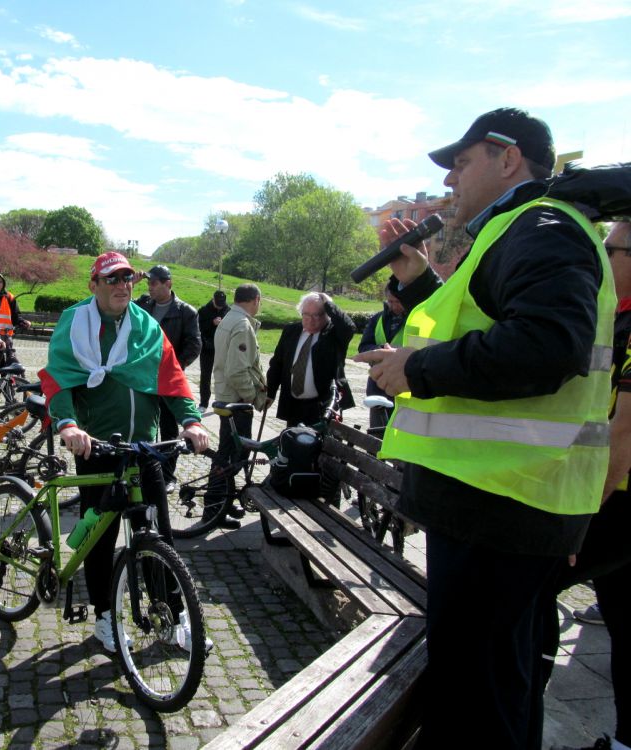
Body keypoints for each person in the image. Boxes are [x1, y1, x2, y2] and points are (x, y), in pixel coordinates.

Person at [354, 108, 615, 749]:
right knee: (502, 687)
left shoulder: (541, 226)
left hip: (500, 505)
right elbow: (481, 327)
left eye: (461, 164)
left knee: (477, 705)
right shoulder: (515, 232)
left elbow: (549, 346)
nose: (450, 184)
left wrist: (420, 367)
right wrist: (419, 291)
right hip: (505, 505)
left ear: (508, 157)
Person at [39, 251, 209, 652]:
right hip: (97, 446)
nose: (122, 286)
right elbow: (59, 378)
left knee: (157, 536)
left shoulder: (146, 326)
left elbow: (171, 376)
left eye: (128, 279)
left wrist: (191, 421)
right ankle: (103, 618)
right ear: (94, 284)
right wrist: (68, 425)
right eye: (113, 279)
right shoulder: (75, 324)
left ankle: (171, 616)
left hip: (144, 447)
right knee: (100, 537)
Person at [541, 221, 631, 750]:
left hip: (617, 499)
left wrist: (580, 521)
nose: (600, 256)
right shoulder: (615, 317)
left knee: (533, 581)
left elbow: (624, 437)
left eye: (610, 248)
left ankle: (521, 700)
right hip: (610, 493)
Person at [134, 265, 201, 489]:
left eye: (154, 283)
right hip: (142, 378)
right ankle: (143, 473)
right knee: (142, 425)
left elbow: (194, 345)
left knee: (169, 429)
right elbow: (120, 314)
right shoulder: (143, 304)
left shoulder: (185, 311)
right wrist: (131, 284)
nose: (150, 288)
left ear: (168, 284)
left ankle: (167, 476)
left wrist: (173, 368)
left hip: (167, 380)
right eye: (148, 283)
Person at [209, 283, 266, 530]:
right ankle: (213, 508)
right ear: (255, 299)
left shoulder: (229, 319)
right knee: (233, 455)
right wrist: (251, 395)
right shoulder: (242, 325)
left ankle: (223, 500)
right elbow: (237, 370)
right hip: (236, 401)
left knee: (230, 452)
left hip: (226, 396)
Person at [266, 292, 355, 429]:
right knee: (292, 444)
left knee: (318, 447)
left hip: (321, 406)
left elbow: (348, 327)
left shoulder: (333, 335)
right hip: (293, 404)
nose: (310, 320)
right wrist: (270, 393)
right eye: (306, 314)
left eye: (316, 315)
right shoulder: (291, 331)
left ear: (327, 315)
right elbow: (278, 363)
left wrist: (328, 304)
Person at [358, 288, 407, 430]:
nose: (394, 306)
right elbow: (363, 347)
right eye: (390, 301)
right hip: (378, 387)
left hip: (404, 388)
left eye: (398, 301)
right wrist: (380, 350)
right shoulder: (377, 319)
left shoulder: (417, 318)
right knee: (377, 434)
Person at [0, 272, 29, 364]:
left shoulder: (9, 297)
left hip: (6, 335)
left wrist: (22, 322)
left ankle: (8, 378)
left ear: (4, 283)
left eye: (0, 282)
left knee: (10, 361)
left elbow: (15, 316)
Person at [197, 289, 230, 409]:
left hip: (223, 350)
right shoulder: (203, 311)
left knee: (223, 376)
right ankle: (203, 403)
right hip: (207, 349)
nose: (220, 306)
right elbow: (198, 328)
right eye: (218, 303)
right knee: (205, 376)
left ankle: (223, 400)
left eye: (222, 304)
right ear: (213, 299)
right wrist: (212, 323)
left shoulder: (228, 310)